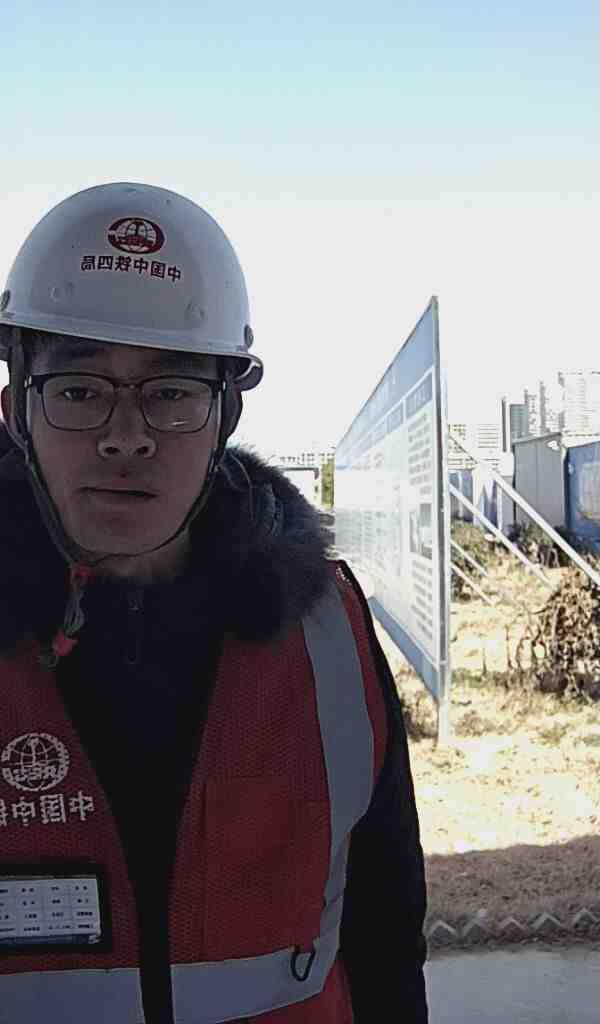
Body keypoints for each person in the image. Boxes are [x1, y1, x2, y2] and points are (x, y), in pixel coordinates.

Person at [0, 182, 428, 1023]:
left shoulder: (326, 634)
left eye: (171, 391)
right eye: (80, 389)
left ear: (225, 413)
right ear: (18, 411)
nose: (127, 437)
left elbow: (385, 934)